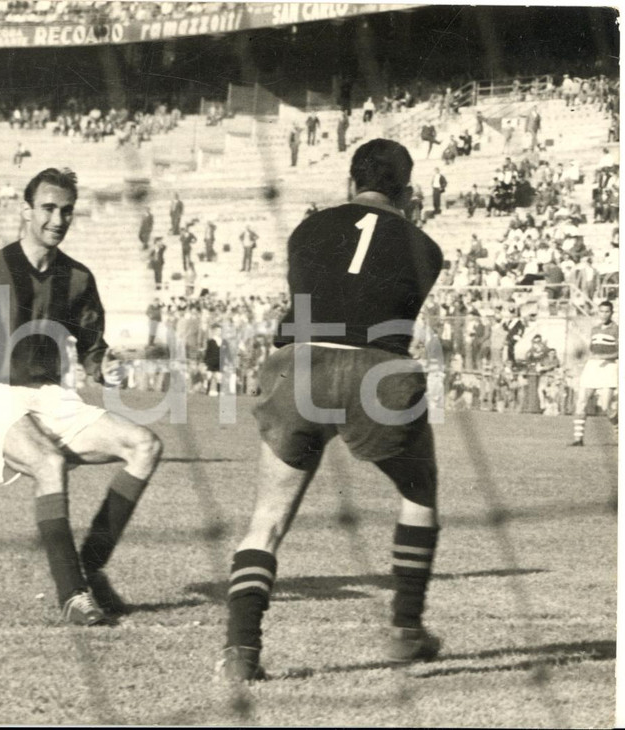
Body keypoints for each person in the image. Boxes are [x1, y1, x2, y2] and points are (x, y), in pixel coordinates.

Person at [0, 167, 163, 627]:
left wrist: (106, 367)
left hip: (55, 399)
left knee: (146, 445)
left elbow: (93, 349)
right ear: (26, 210)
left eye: (67, 211)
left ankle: (91, 568)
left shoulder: (78, 278)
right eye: (48, 209)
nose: (58, 219)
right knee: (48, 463)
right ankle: (72, 595)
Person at [217, 139, 444, 681]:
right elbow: (389, 312)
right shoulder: (428, 248)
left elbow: (308, 301)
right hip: (376, 373)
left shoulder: (306, 229)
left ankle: (241, 651)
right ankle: (406, 629)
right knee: (419, 492)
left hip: (299, 365)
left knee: (266, 520)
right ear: (408, 194)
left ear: (349, 182)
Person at [570, 300, 618, 446]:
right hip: (592, 367)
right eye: (601, 311)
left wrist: (604, 357)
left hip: (608, 368)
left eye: (607, 312)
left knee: (605, 406)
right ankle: (578, 439)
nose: (603, 314)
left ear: (612, 313)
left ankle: (618, 430)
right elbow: (592, 350)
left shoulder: (617, 329)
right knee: (581, 402)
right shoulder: (595, 329)